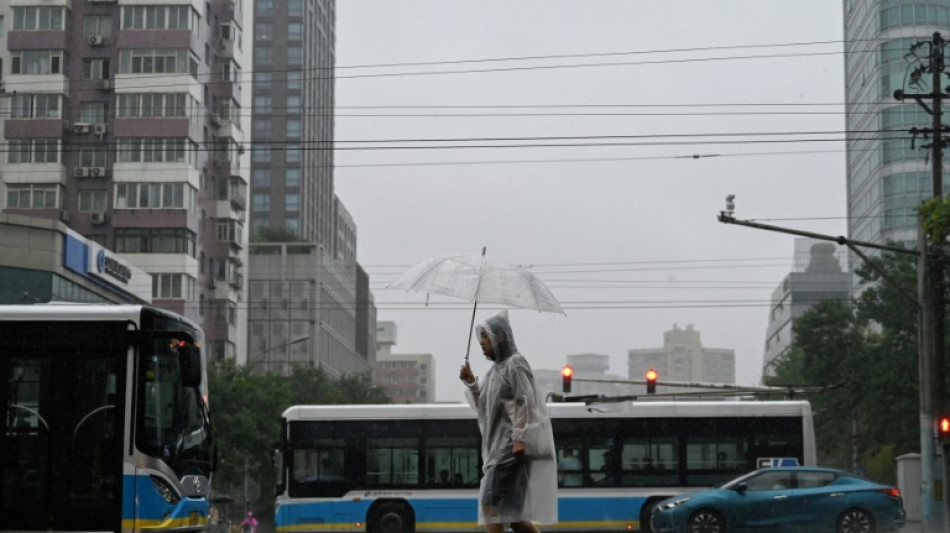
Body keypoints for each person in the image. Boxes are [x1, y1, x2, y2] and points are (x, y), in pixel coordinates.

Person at [459, 310, 558, 533]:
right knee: (512, 516)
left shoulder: (515, 363)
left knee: (489, 506)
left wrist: (519, 439)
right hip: (497, 451)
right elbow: (484, 407)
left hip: (507, 451)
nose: (481, 342)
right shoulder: (494, 371)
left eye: (485, 336)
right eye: (481, 336)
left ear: (501, 337)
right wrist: (472, 383)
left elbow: (525, 401)